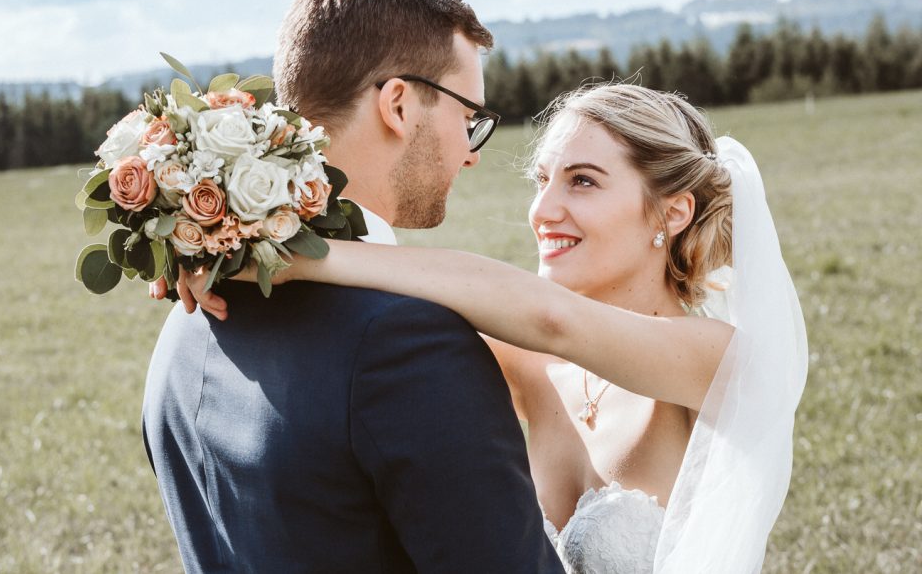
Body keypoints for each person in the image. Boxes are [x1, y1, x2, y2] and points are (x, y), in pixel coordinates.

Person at [181, 83, 809, 573]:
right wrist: (226, 247)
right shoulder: (532, 366)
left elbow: (549, 317)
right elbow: (381, 317)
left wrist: (306, 258)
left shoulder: (718, 360)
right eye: (543, 180)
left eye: (582, 181)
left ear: (673, 212)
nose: (543, 210)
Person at [141, 0, 564, 573]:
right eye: (468, 116)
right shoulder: (408, 344)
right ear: (397, 104)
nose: (470, 153)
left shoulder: (189, 315)